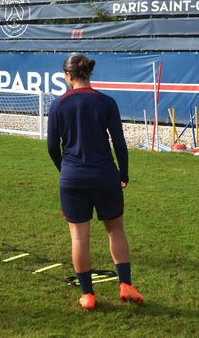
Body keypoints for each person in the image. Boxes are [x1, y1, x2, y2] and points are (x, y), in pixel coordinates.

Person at [47, 53, 143, 311]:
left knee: (79, 238)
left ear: (68, 75)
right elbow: (119, 144)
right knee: (115, 229)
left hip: (73, 178)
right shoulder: (106, 102)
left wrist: (64, 170)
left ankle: (88, 294)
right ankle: (125, 285)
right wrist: (123, 173)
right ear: (88, 73)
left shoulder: (58, 105)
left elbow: (51, 147)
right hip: (104, 176)